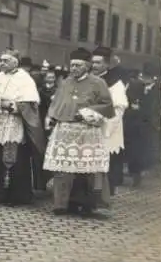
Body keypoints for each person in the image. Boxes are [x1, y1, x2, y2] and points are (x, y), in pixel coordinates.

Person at [43, 48, 114, 218]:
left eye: (77, 65)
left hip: (86, 130)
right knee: (63, 169)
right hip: (65, 130)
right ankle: (61, 204)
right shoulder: (66, 82)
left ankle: (87, 204)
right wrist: (51, 117)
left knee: (86, 171)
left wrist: (87, 112)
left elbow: (107, 105)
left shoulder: (98, 83)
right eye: (72, 65)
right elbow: (57, 103)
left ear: (87, 66)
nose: (73, 68)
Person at [0, 50, 45, 206]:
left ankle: (15, 196)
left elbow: (30, 103)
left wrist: (11, 106)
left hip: (13, 123)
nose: (2, 63)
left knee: (15, 158)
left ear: (15, 62)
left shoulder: (25, 79)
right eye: (1, 60)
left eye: (6, 60)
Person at [91, 46, 128, 196]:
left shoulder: (114, 83)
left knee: (106, 160)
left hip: (107, 125)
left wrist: (107, 124)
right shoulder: (88, 79)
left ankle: (105, 192)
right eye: (92, 62)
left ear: (106, 64)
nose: (94, 66)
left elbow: (119, 108)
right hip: (89, 125)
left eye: (98, 63)